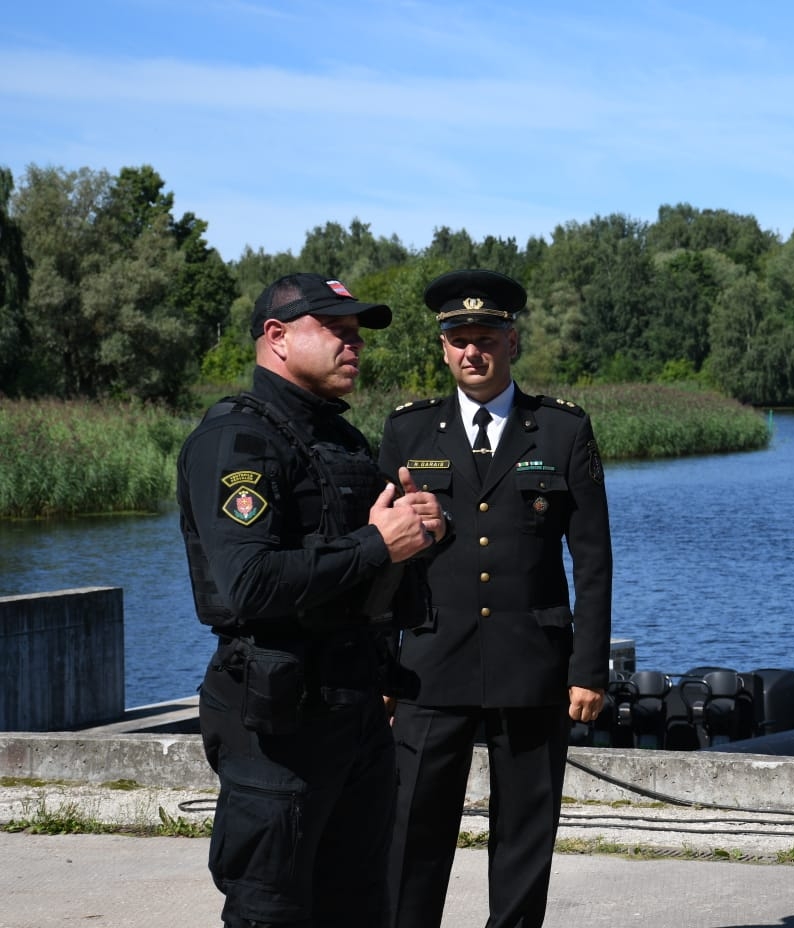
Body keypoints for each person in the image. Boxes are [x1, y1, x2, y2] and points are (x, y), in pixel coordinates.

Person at [177, 272, 446, 927]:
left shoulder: (341, 442)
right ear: (277, 336)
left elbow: (368, 566)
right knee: (271, 910)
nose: (354, 345)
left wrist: (421, 533)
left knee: (362, 907)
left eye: (357, 334)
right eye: (336, 331)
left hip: (356, 711)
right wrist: (376, 544)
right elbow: (249, 582)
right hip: (278, 722)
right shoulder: (236, 441)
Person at [379, 268, 613, 928]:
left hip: (531, 663)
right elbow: (382, 558)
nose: (472, 352)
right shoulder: (408, 432)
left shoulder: (561, 430)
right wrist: (380, 665)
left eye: (485, 338)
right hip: (430, 663)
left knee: (525, 834)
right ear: (443, 348)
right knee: (412, 830)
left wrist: (588, 669)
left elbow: (593, 559)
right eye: (459, 340)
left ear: (512, 341)